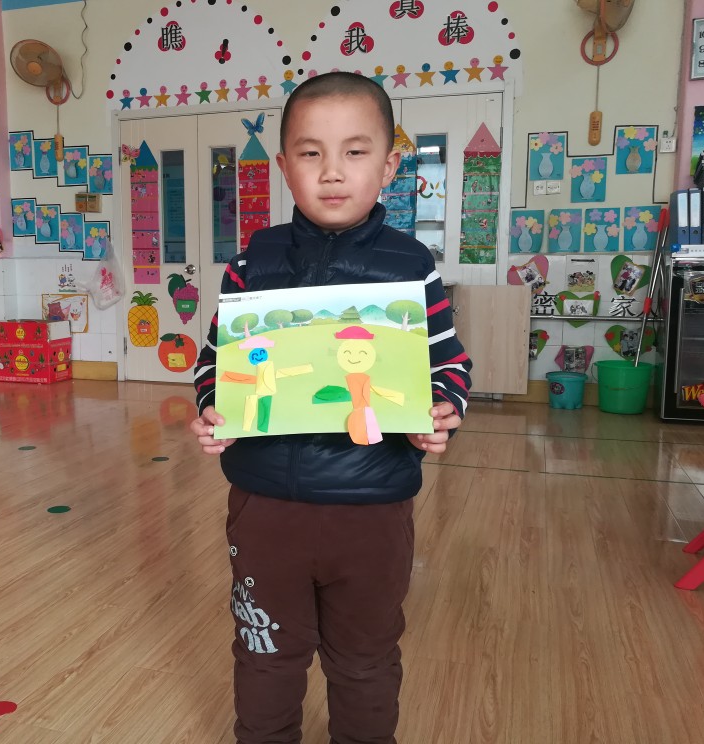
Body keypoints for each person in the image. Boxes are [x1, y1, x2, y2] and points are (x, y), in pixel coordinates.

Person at [190, 71, 472, 744]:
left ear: (389, 165)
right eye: (311, 153)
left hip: (372, 510)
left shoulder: (412, 266)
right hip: (265, 508)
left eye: (355, 151)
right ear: (284, 165)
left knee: (365, 659)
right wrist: (213, 407)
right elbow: (213, 362)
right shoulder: (250, 265)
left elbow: (449, 361)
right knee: (265, 652)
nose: (333, 171)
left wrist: (442, 409)